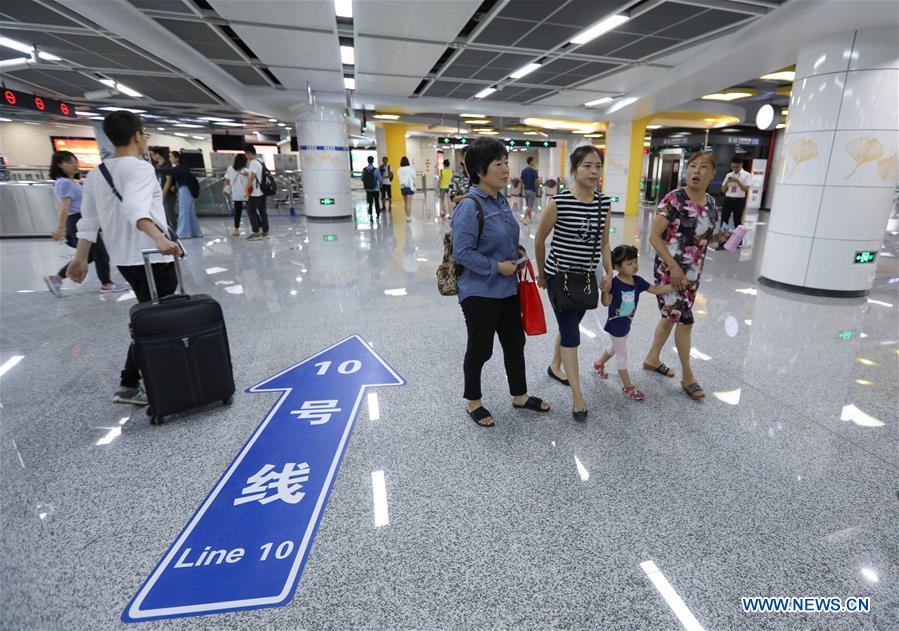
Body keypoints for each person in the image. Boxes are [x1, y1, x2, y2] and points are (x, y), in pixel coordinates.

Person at [66, 110, 183, 405]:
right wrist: (159, 238)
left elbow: (89, 222)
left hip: (124, 258)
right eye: (145, 135)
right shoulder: (140, 169)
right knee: (153, 321)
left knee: (150, 316)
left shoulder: (97, 173)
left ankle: (137, 380)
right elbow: (135, 209)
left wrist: (80, 258)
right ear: (137, 136)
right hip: (152, 257)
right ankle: (129, 384)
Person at [452, 137, 550, 427]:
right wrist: (497, 266)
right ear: (480, 171)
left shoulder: (501, 199)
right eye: (499, 164)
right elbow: (463, 252)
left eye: (507, 162)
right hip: (479, 291)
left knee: (514, 342)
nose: (507, 168)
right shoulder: (469, 206)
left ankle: (519, 395)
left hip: (507, 288)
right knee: (481, 348)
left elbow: (503, 236)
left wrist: (515, 253)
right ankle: (473, 401)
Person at [642, 151, 730, 400]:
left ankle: (651, 358)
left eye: (703, 167)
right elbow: (654, 237)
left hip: (692, 273)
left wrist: (721, 238)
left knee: (671, 317)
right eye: (692, 166)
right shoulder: (674, 199)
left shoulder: (711, 203)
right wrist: (673, 266)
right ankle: (688, 375)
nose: (696, 171)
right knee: (685, 321)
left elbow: (705, 237)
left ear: (713, 174)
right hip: (670, 273)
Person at [534, 146, 612, 420]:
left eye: (598, 166)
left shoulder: (604, 203)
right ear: (574, 169)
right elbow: (539, 239)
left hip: (586, 278)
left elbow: (604, 243)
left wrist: (609, 272)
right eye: (587, 165)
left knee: (570, 325)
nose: (593, 171)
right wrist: (543, 273)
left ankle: (555, 365)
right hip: (560, 277)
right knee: (571, 333)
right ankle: (578, 395)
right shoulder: (558, 202)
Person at [592, 245, 671, 401]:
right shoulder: (614, 283)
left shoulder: (637, 281)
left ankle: (598, 364)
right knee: (622, 356)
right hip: (616, 326)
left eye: (635, 261)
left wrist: (673, 286)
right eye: (629, 263)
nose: (635, 265)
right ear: (616, 267)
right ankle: (628, 386)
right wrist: (605, 289)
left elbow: (655, 289)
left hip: (626, 324)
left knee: (614, 348)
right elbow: (606, 303)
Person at [44, 150, 126, 296]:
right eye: (69, 162)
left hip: (80, 220)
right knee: (101, 254)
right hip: (77, 221)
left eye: (75, 160)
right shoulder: (64, 183)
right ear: (59, 165)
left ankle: (57, 278)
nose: (74, 164)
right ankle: (106, 283)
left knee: (88, 256)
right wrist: (60, 228)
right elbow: (64, 207)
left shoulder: (71, 182)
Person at [717, 157, 751, 249]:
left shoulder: (746, 175)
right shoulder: (729, 175)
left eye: (736, 167)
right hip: (728, 199)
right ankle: (721, 242)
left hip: (739, 200)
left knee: (737, 222)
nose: (734, 169)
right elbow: (723, 190)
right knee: (724, 221)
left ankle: (737, 242)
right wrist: (728, 181)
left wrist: (737, 181)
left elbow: (746, 189)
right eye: (733, 167)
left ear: (741, 165)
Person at [168, 151, 202, 239]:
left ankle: (183, 233)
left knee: (184, 211)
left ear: (177, 158)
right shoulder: (182, 168)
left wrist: (157, 168)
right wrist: (175, 186)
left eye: (171, 156)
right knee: (189, 211)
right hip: (186, 190)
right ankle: (195, 232)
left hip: (185, 190)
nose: (170, 158)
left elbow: (168, 171)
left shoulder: (179, 168)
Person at [244, 144, 269, 240]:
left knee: (251, 211)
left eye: (246, 155)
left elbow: (252, 176)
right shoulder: (260, 161)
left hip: (255, 193)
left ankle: (255, 232)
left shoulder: (254, 162)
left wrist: (247, 189)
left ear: (249, 153)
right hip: (262, 191)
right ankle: (265, 231)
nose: (246, 157)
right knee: (262, 211)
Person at [149, 146, 177, 229]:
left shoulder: (167, 166)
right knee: (163, 212)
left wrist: (162, 193)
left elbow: (169, 180)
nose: (151, 157)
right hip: (159, 191)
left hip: (167, 193)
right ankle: (166, 228)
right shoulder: (157, 166)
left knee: (169, 211)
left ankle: (175, 229)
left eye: (152, 154)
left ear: (157, 155)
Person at [224, 154, 249, 236]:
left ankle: (236, 229)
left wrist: (225, 190)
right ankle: (259, 227)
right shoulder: (247, 170)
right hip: (247, 194)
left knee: (237, 212)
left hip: (236, 194)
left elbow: (226, 180)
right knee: (252, 211)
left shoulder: (230, 168)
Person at [448, 148, 471, 214]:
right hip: (461, 213)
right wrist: (469, 196)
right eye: (466, 157)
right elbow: (453, 198)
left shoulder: (481, 176)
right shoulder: (457, 177)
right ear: (462, 160)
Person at [361, 155, 382, 219]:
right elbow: (380, 179)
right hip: (375, 189)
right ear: (373, 161)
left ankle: (370, 215)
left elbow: (362, 178)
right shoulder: (376, 170)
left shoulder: (364, 170)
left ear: (367, 161)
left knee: (370, 202)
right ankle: (378, 214)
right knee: (376, 201)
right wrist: (380, 185)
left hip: (368, 189)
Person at [520, 156, 539, 224]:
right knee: (530, 206)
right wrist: (537, 191)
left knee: (528, 206)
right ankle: (524, 218)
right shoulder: (534, 171)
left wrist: (520, 190)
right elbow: (536, 182)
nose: (534, 162)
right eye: (533, 161)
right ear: (530, 161)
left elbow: (521, 182)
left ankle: (530, 219)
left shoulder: (523, 171)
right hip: (532, 190)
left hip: (526, 190)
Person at [397, 156, 416, 223]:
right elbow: (414, 177)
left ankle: (407, 216)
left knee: (405, 202)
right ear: (407, 161)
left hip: (403, 187)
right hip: (410, 187)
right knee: (409, 203)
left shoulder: (399, 169)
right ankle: (408, 217)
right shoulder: (411, 169)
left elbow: (399, 178)